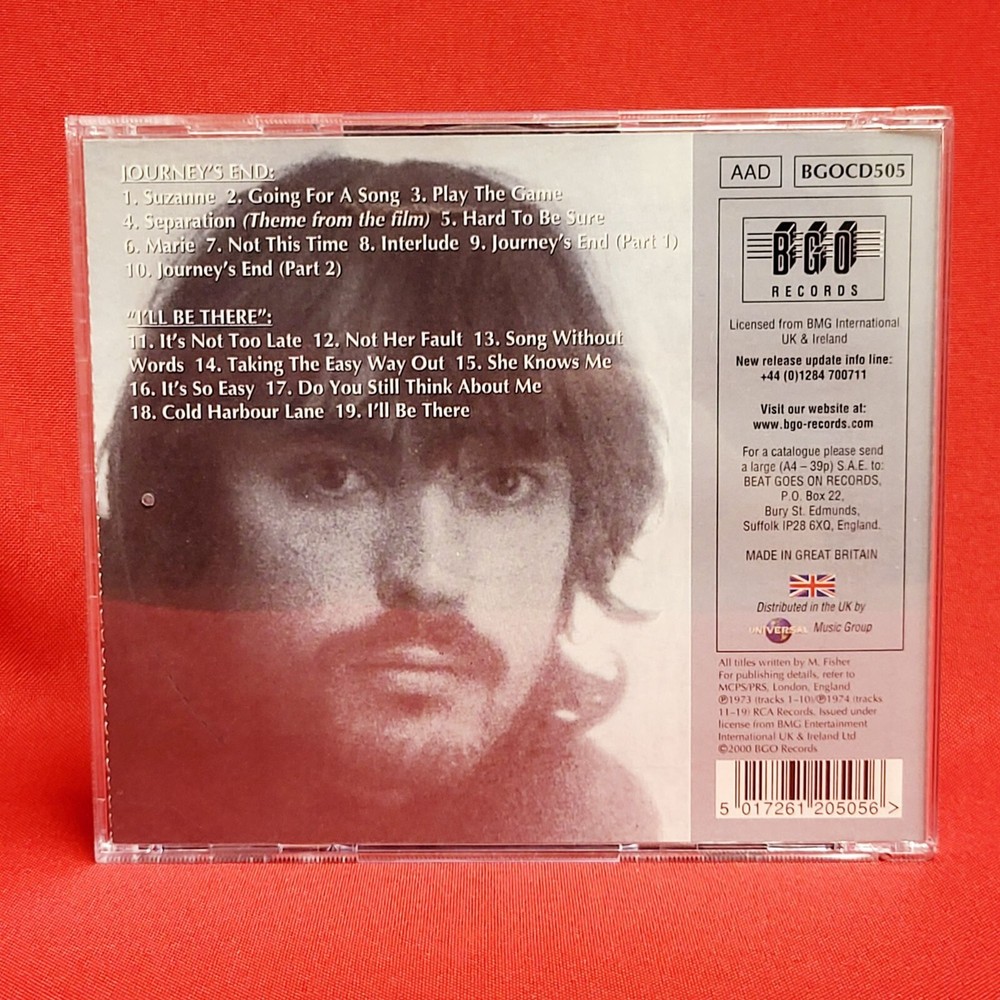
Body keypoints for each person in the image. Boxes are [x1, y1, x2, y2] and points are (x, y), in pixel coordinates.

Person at [98, 156, 664, 847]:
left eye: (502, 484)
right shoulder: (83, 756)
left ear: (581, 526)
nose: (427, 576)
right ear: (189, 509)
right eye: (334, 478)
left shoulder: (595, 831)